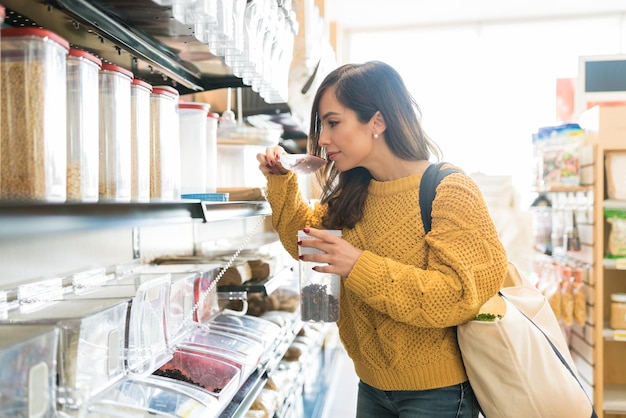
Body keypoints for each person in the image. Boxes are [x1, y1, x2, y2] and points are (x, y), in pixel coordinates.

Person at [257, 60, 508, 418]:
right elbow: (305, 242)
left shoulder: (450, 190)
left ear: (377, 121)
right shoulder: (353, 193)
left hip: (437, 393)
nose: (323, 140)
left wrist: (357, 265)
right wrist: (280, 178)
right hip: (372, 387)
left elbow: (457, 296)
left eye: (333, 123)